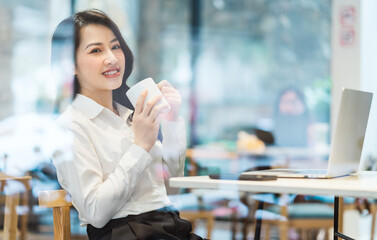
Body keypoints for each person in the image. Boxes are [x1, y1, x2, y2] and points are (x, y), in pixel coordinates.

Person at [50, 9, 204, 240]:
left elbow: (171, 188)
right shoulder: (70, 126)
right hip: (124, 233)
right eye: (96, 50)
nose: (112, 58)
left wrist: (171, 121)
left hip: (170, 226)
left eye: (115, 46)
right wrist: (140, 146)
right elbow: (96, 212)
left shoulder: (131, 114)